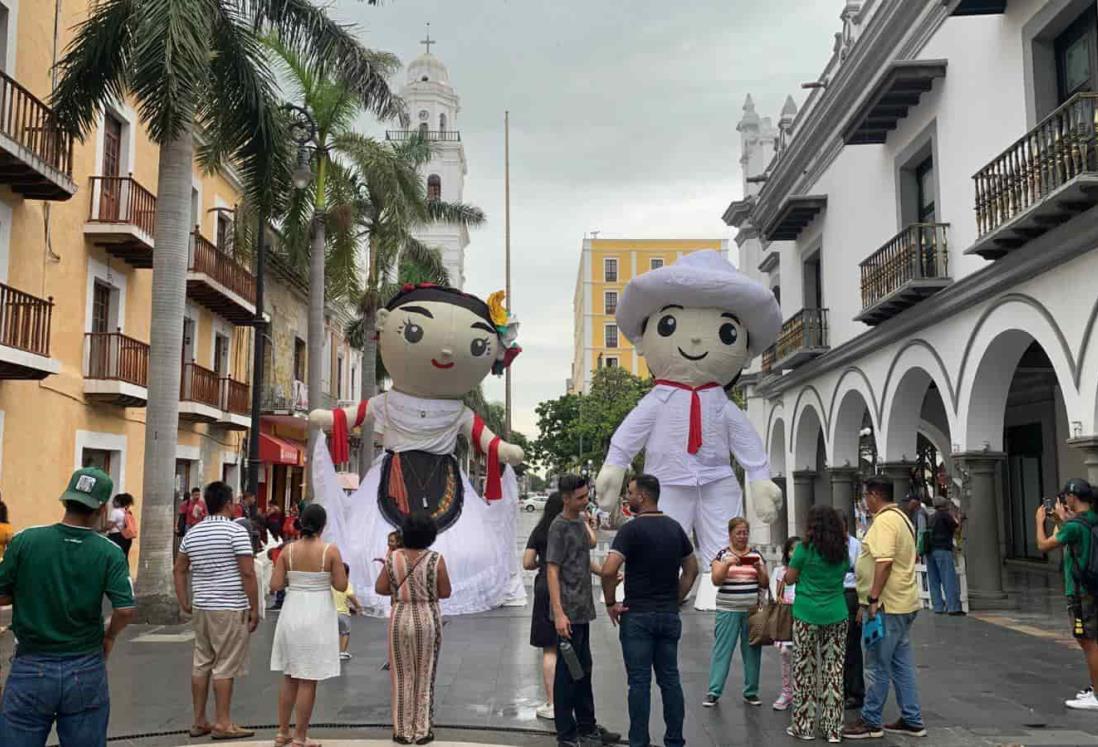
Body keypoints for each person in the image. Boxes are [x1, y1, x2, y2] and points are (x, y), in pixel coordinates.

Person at [0, 467, 136, 745]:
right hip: (85, 666)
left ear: (66, 501)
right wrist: (109, 636)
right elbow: (124, 609)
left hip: (30, 665)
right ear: (101, 507)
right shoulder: (109, 551)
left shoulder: (26, 540)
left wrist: (31, 592)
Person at [600, 474, 698, 747]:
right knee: (670, 679)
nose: (627, 497)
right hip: (668, 615)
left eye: (630, 492)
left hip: (638, 615)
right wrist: (675, 599)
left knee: (639, 683)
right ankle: (675, 740)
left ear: (642, 496)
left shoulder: (631, 530)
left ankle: (639, 741)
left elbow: (609, 570)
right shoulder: (674, 528)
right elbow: (692, 569)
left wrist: (611, 603)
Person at [173, 481, 259, 741]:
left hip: (202, 606)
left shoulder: (193, 533)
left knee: (202, 662)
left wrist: (184, 600)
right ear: (228, 503)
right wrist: (254, 607)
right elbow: (247, 572)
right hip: (229, 606)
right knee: (225, 665)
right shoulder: (236, 532)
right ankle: (223, 722)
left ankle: (200, 720)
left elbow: (179, 569)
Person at [843, 476, 926, 740]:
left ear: (875, 495)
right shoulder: (901, 518)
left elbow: (884, 561)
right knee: (901, 663)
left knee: (877, 664)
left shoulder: (885, 521)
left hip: (888, 604)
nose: (865, 502)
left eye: (866, 496)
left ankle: (870, 720)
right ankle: (912, 718)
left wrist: (872, 598)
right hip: (903, 601)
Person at [547, 475, 619, 747]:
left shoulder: (577, 520)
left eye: (586, 496)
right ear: (565, 498)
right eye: (579, 498)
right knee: (568, 674)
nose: (585, 501)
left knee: (584, 670)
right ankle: (566, 734)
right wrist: (559, 613)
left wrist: (606, 574)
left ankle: (588, 726)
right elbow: (552, 569)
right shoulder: (558, 527)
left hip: (583, 609)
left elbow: (584, 555)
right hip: (567, 613)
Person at [270, 503, 347, 746]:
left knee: (290, 675)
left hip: (292, 611)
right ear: (323, 525)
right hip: (317, 614)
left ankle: (282, 732)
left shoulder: (288, 550)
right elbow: (341, 586)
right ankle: (300, 736)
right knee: (308, 678)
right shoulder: (330, 551)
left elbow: (275, 584)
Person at [376, 512, 452, 745]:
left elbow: (380, 588)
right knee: (425, 673)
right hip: (428, 617)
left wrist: (402, 589)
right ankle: (422, 729)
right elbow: (445, 591)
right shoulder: (436, 559)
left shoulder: (393, 558)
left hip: (400, 616)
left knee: (400, 674)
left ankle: (402, 730)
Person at [784, 506, 850, 743]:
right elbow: (843, 575)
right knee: (834, 671)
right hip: (836, 613)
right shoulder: (841, 551)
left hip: (806, 614)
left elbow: (790, 578)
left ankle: (804, 727)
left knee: (805, 670)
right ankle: (833, 729)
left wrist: (798, 575)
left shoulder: (803, 550)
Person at [1036, 478, 1098, 709]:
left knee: (1088, 641)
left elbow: (1043, 545)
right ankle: (1095, 686)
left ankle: (1097, 695)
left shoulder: (1074, 526)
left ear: (1072, 497)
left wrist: (1039, 521)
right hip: (1093, 586)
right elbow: (1075, 542)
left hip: (1080, 590)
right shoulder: (1091, 520)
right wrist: (1061, 521)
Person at [703, 517, 768, 708]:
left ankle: (751, 691)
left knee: (752, 651)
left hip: (751, 611)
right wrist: (727, 564)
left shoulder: (756, 555)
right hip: (727, 608)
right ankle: (714, 691)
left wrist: (759, 570)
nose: (742, 536)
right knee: (722, 649)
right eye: (738, 533)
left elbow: (764, 583)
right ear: (730, 534)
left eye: (745, 532)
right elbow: (716, 580)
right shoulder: (722, 555)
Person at [524, 491, 565, 720]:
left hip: (544, 589)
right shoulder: (571, 528)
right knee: (570, 646)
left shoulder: (540, 531)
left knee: (549, 648)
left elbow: (527, 562)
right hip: (567, 587)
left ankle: (552, 703)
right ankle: (570, 700)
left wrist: (543, 562)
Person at [771, 536, 801, 711]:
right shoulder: (780, 571)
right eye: (791, 549)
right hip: (785, 615)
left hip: (802, 613)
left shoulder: (806, 571)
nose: (794, 553)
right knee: (785, 654)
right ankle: (786, 691)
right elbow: (777, 594)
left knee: (803, 655)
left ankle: (800, 691)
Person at [841, 514, 865, 710]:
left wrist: (862, 605)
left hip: (851, 594)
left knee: (851, 646)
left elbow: (862, 573)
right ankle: (839, 688)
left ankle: (855, 692)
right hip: (832, 594)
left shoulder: (856, 545)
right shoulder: (827, 544)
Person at [926, 497, 963, 616]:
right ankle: (953, 607)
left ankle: (938, 606)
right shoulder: (944, 516)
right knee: (948, 578)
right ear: (946, 505)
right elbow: (956, 529)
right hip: (942, 549)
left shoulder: (931, 517)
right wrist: (960, 519)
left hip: (930, 550)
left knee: (934, 580)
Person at [333, 562, 362, 660]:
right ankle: (342, 652)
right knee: (345, 632)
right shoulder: (346, 584)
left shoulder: (330, 583)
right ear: (348, 574)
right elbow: (350, 596)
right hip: (342, 613)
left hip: (330, 613)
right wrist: (358, 606)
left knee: (333, 632)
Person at [107, 493, 136, 558]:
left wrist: (100, 529)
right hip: (126, 537)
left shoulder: (115, 511)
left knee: (114, 557)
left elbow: (109, 525)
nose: (112, 502)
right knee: (124, 557)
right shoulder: (127, 511)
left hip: (116, 537)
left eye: (114, 501)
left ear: (119, 502)